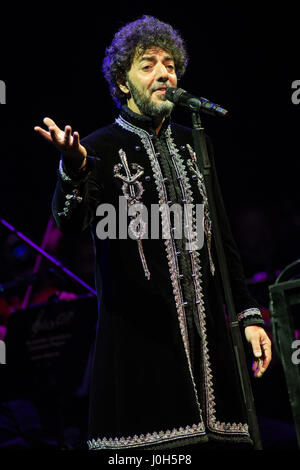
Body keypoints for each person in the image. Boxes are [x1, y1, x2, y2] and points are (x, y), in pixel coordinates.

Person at [34, 15, 271, 451]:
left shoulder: (195, 141)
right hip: (140, 343)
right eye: (148, 64)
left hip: (209, 346)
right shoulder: (99, 148)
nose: (164, 73)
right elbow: (71, 223)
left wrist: (247, 316)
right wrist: (73, 168)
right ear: (123, 82)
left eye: (170, 64)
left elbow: (222, 238)